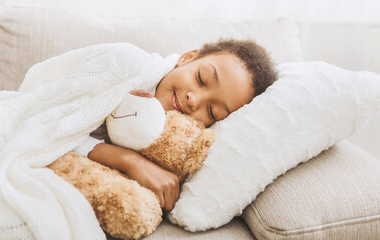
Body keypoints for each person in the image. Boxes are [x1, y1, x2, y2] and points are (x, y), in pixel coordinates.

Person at [86, 39, 278, 211]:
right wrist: (128, 160)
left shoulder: (174, 142)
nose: (193, 100)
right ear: (187, 57)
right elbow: (57, 125)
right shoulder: (125, 65)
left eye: (212, 112)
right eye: (201, 79)